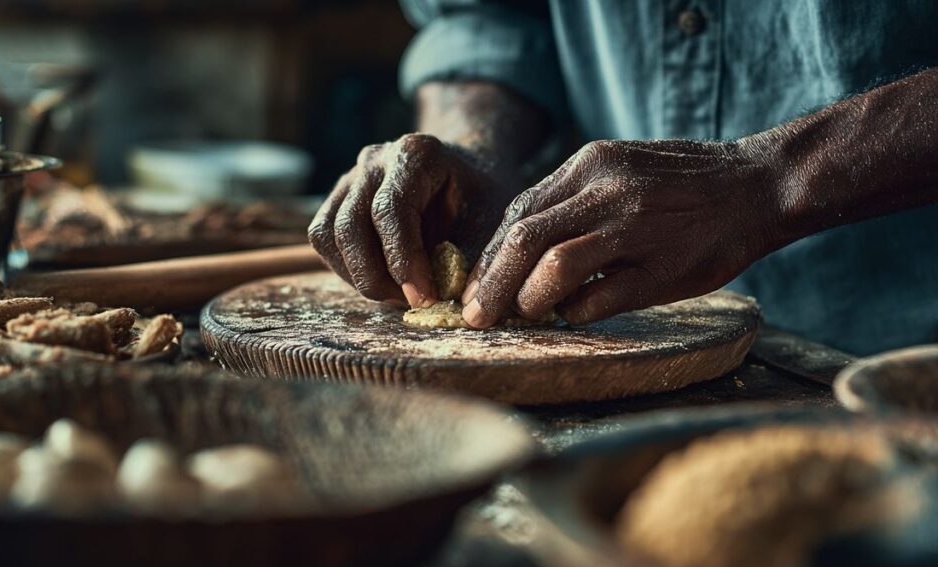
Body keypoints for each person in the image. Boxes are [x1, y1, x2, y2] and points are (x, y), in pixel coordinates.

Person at [308, 1, 938, 356]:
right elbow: (487, 19)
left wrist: (769, 181)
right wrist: (477, 144)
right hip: (617, 338)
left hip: (902, 353)